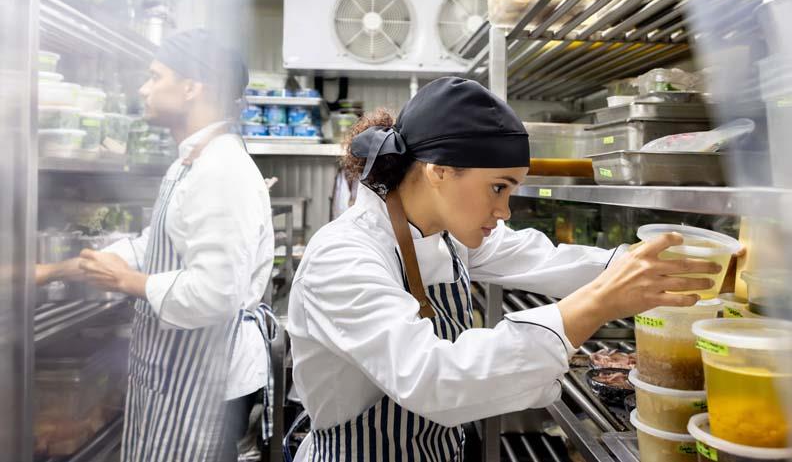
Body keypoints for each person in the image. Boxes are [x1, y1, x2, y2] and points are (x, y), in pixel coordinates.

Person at [286, 77, 722, 461]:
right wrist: (597, 304)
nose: (505, 210)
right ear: (439, 171)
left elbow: (541, 258)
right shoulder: (343, 256)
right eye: (498, 187)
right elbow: (432, 378)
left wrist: (652, 264)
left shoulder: (443, 233)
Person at [36, 29, 276, 462]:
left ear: (191, 86)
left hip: (206, 386)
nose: (143, 88)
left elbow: (214, 293)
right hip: (181, 375)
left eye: (154, 76)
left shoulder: (221, 170)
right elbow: (157, 244)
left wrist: (129, 282)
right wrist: (57, 269)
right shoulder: (192, 160)